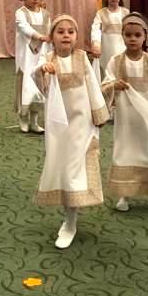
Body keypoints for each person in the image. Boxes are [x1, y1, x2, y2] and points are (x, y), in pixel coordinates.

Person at [33, 15, 111, 249]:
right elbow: (38, 81)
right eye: (60, 32)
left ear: (76, 36)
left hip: (81, 124)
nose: (66, 35)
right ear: (52, 37)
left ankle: (70, 221)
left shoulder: (81, 57)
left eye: (70, 31)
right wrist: (43, 71)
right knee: (62, 168)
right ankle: (68, 216)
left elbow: (93, 86)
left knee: (73, 171)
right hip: (58, 127)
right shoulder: (48, 59)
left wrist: (99, 115)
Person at [102, 12, 148, 213]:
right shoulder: (115, 61)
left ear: (145, 36)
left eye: (137, 35)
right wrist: (113, 85)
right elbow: (104, 84)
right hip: (125, 119)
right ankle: (124, 194)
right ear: (122, 35)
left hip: (147, 119)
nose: (132, 39)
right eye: (128, 35)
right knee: (125, 154)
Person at [14, 0, 51, 134]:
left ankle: (34, 121)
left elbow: (49, 30)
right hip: (26, 55)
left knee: (39, 85)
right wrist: (39, 36)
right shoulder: (20, 13)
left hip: (41, 54)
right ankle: (23, 117)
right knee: (27, 84)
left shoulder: (45, 14)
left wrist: (49, 42)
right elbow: (24, 28)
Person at [90, 0, 127, 75]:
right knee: (108, 70)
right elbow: (95, 29)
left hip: (122, 46)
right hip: (107, 47)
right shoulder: (101, 13)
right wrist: (96, 42)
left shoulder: (125, 12)